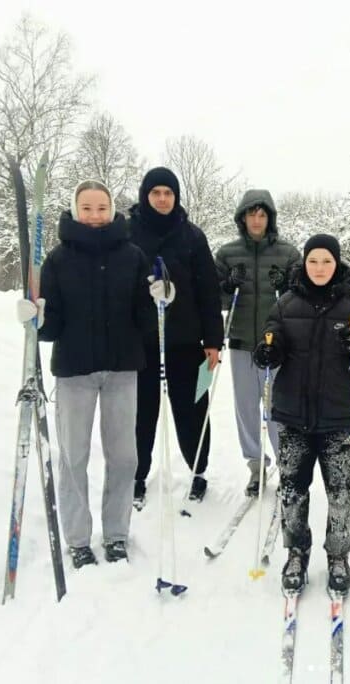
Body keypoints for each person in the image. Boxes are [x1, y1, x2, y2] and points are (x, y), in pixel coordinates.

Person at [15, 180, 158, 568]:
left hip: (122, 369)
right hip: (75, 371)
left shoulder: (133, 256)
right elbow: (51, 328)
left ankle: (116, 534)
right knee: (74, 457)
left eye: (101, 208)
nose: (95, 215)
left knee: (124, 457)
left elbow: (146, 321)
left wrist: (159, 301)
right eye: (87, 208)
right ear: (76, 210)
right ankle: (78, 539)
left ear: (112, 210)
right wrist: (35, 318)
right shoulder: (58, 260)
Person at [253, 234, 350, 596]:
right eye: (313, 261)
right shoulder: (286, 303)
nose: (320, 268)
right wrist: (268, 352)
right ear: (304, 263)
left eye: (327, 261)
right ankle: (296, 551)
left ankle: (339, 554)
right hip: (293, 414)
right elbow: (271, 339)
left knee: (340, 491)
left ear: (337, 263)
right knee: (293, 490)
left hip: (338, 415)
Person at [127, 167, 223, 507]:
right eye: (156, 193)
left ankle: (199, 469)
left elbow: (209, 291)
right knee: (141, 413)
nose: (162, 199)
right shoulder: (128, 233)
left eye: (168, 193)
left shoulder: (192, 236)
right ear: (146, 195)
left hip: (186, 342)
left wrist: (213, 341)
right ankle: (136, 475)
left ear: (176, 196)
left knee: (193, 409)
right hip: (141, 344)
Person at [214, 190, 300, 496]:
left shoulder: (288, 253)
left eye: (262, 215)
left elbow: (301, 298)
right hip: (241, 341)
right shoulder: (227, 253)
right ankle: (255, 465)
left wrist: (287, 285)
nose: (257, 220)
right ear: (242, 217)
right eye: (251, 214)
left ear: (270, 218)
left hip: (277, 344)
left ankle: (286, 465)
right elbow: (216, 298)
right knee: (246, 408)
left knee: (278, 407)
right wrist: (228, 285)